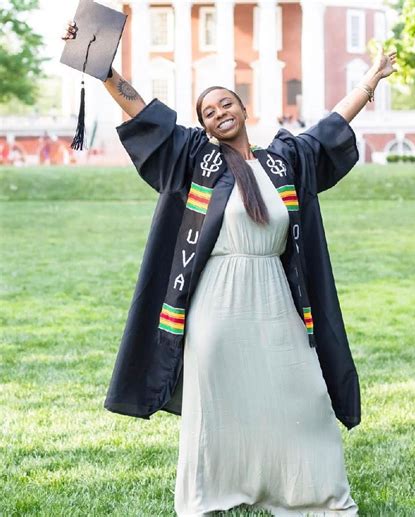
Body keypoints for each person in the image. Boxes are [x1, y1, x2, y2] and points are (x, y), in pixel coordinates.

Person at [63, 22, 396, 517]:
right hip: (215, 304)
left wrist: (370, 83)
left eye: (227, 104)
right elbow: (143, 111)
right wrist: (104, 67)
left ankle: (311, 491)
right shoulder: (194, 158)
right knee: (216, 409)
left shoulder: (285, 160)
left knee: (303, 394)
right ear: (203, 124)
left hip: (276, 299)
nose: (220, 113)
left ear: (243, 109)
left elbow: (329, 130)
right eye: (209, 111)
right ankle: (211, 494)